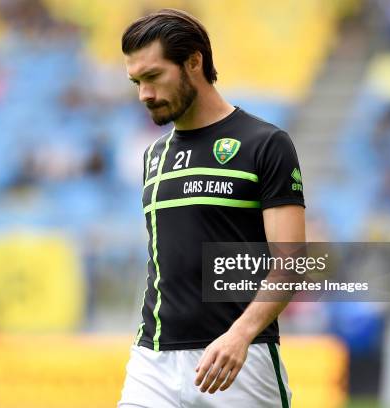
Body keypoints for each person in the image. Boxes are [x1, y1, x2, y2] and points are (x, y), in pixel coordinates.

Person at [118, 9, 305, 408]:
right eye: (136, 82)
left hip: (240, 360)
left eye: (153, 77)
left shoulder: (265, 144)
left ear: (194, 62)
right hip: (153, 361)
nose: (143, 95)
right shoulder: (153, 156)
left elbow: (291, 262)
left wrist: (240, 335)